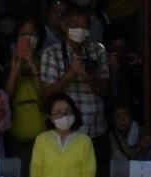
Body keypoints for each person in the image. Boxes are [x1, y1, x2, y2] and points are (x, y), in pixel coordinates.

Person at [38, 8, 110, 167]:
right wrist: (69, 74)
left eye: (85, 26)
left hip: (97, 128)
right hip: (68, 130)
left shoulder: (98, 50)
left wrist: (89, 78)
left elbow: (105, 89)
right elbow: (46, 93)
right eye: (76, 24)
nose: (81, 30)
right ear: (64, 26)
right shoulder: (51, 53)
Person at [4, 17, 44, 163]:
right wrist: (15, 71)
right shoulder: (10, 63)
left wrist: (33, 67)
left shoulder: (46, 61)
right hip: (17, 133)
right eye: (23, 34)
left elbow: (45, 94)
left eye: (32, 34)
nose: (27, 37)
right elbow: (6, 96)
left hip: (43, 131)